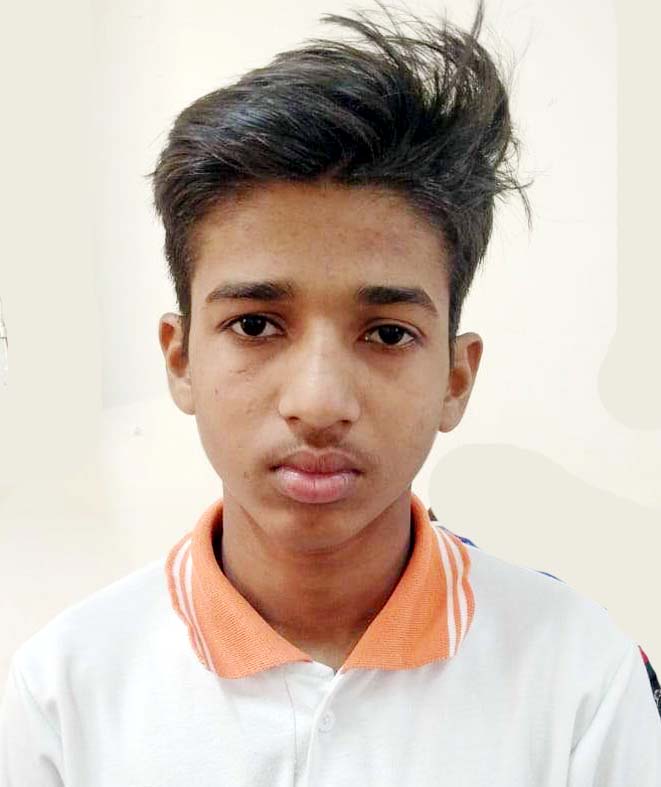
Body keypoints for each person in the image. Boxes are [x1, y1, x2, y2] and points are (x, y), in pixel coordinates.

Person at [1, 1, 659, 784]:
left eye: (386, 333)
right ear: (180, 359)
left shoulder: (579, 679)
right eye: (255, 325)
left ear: (456, 377)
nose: (317, 403)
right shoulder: (63, 694)